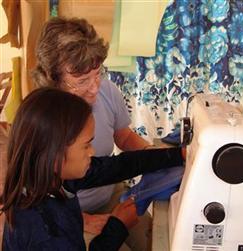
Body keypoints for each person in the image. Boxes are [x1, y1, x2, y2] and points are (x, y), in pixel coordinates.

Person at [0, 88, 184, 251]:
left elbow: (117, 167)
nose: (92, 151)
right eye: (86, 145)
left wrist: (176, 155)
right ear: (54, 154)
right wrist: (118, 226)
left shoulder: (51, 177)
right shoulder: (46, 233)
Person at [32, 17, 154, 251]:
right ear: (53, 78)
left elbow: (124, 137)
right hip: (68, 214)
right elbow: (33, 197)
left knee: (159, 239)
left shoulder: (107, 91)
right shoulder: (41, 121)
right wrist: (84, 220)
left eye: (98, 73)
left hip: (110, 194)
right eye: (82, 80)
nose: (95, 87)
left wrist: (155, 156)